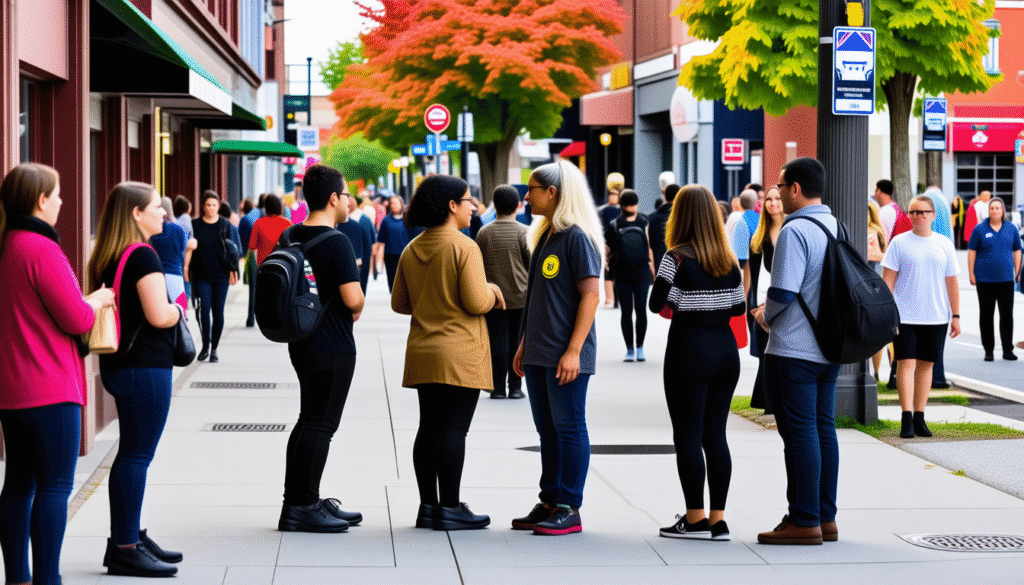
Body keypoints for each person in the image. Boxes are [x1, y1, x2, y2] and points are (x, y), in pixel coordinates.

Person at [0, 163, 115, 585]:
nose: (63, 200)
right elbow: (75, 318)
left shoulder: (8, 244)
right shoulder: (41, 248)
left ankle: (18, 578)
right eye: (59, 192)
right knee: (53, 487)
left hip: (12, 389)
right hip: (50, 387)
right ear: (40, 200)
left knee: (18, 486)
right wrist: (99, 299)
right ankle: (48, 578)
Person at [391, 175, 504, 531]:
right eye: (469, 200)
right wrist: (492, 290)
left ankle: (428, 506)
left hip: (424, 349)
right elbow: (475, 301)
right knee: (455, 430)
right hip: (459, 351)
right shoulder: (464, 247)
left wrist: (432, 302)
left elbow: (400, 303)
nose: (473, 207)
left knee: (428, 428)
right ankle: (452, 507)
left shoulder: (413, 248)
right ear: (452, 206)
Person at [87, 182, 186, 577]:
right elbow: (160, 315)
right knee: (136, 455)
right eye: (155, 207)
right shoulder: (143, 256)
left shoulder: (110, 255)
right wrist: (179, 308)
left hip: (121, 367)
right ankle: (126, 545)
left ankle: (128, 537)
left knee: (131, 452)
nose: (163, 212)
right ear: (135, 214)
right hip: (145, 368)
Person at [512, 160, 603, 536]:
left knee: (568, 427)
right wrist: (523, 344)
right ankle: (550, 499)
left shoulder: (577, 237)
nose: (526, 195)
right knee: (546, 430)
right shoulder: (546, 234)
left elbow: (591, 295)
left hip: (564, 354)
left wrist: (574, 351)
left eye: (531, 189)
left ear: (552, 193)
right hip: (537, 351)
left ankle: (569, 506)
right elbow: (537, 297)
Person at [753, 157, 841, 545]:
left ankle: (804, 520)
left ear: (795, 189)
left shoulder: (795, 230)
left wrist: (763, 314)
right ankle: (825, 516)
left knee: (800, 433)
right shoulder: (836, 225)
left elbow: (784, 290)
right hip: (830, 346)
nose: (777, 191)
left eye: (780, 184)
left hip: (795, 348)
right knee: (824, 428)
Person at [650, 184, 745, 541]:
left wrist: (682, 297)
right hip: (725, 349)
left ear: (680, 216)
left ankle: (694, 518)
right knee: (715, 435)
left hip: (689, 348)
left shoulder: (675, 257)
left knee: (687, 435)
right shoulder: (727, 259)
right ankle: (719, 519)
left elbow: (656, 300)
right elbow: (738, 307)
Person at [277, 164, 365, 534]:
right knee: (321, 424)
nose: (347, 202)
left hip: (301, 341)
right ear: (333, 199)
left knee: (307, 419)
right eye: (345, 195)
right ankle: (303, 506)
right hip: (332, 344)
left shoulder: (290, 234)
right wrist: (357, 306)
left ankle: (296, 500)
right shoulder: (337, 241)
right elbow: (353, 298)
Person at [882, 195, 961, 439]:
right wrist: (888, 314)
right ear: (909, 215)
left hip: (936, 316)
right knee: (905, 364)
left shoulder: (944, 244)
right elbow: (888, 281)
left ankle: (920, 416)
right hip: (904, 316)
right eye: (914, 212)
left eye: (924, 212)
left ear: (933, 215)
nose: (919, 215)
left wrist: (956, 315)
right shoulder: (899, 243)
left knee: (926, 366)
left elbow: (952, 281)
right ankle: (906, 418)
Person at [476, 184, 531, 399]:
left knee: (496, 341)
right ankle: (515, 387)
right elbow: (530, 264)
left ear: (495, 205)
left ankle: (497, 388)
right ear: (517, 206)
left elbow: (478, 263)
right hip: (520, 296)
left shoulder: (484, 232)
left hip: (493, 297)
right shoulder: (524, 232)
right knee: (517, 341)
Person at [745, 187, 785, 413]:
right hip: (761, 303)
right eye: (768, 199)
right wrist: (752, 305)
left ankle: (776, 401)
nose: (773, 203)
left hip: (786, 303)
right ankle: (767, 402)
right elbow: (753, 272)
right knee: (764, 353)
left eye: (777, 198)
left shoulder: (792, 231)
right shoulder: (757, 238)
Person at [968, 196, 1021, 361]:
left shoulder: (1011, 229)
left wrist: (1017, 272)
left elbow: (1017, 251)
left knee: (1007, 315)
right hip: (984, 280)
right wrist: (971, 273)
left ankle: (1007, 350)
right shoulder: (979, 229)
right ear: (988, 210)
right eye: (992, 208)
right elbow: (971, 252)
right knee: (986, 315)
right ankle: (988, 350)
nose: (995, 211)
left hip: (1006, 280)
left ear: (1003, 210)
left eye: (998, 208)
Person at [604, 189, 654, 361]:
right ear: (636, 204)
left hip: (622, 272)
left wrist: (608, 268)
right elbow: (650, 246)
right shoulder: (644, 221)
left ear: (621, 205)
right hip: (642, 271)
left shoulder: (614, 224)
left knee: (626, 312)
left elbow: (607, 249)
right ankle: (640, 348)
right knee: (641, 310)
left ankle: (630, 349)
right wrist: (652, 267)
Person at [191, 191, 239, 363]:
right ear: (203, 206)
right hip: (201, 275)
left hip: (221, 275)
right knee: (204, 310)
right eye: (208, 205)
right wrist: (187, 270)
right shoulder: (195, 225)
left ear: (218, 206)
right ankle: (205, 346)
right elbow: (190, 250)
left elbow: (232, 250)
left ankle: (214, 349)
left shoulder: (225, 224)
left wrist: (234, 271)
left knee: (218, 311)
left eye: (214, 205)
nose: (211, 208)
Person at [150, 196, 196, 313]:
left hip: (155, 274)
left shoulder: (151, 231)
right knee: (180, 310)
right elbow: (183, 249)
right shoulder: (178, 229)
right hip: (175, 274)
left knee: (157, 310)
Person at [336, 194, 376, 293]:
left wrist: (372, 257)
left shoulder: (363, 220)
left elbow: (371, 239)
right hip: (347, 260)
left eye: (351, 200)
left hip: (361, 259)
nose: (349, 202)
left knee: (360, 286)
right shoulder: (338, 222)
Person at [867, 199, 888, 382]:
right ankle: (876, 372)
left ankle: (876, 372)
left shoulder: (874, 232)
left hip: (872, 286)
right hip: (876, 285)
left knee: (875, 334)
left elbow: (878, 256)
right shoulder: (878, 232)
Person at [376, 194, 413, 292]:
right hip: (390, 256)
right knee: (392, 281)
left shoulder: (408, 220)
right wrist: (378, 260)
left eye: (396, 203)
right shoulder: (386, 221)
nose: (393, 205)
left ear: (401, 204)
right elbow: (381, 241)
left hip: (406, 255)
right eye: (391, 203)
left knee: (407, 281)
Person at [598, 173, 623, 307]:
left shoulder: (602, 210)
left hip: (612, 244)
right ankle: (611, 298)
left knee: (610, 271)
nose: (613, 196)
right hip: (611, 244)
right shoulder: (605, 210)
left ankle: (611, 299)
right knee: (609, 271)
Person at [730, 189, 760, 293]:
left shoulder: (741, 221)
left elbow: (740, 258)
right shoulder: (760, 219)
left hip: (745, 274)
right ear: (756, 202)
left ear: (741, 203)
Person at [248, 195, 292, 265]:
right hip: (283, 264)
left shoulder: (258, 223)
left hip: (264, 265)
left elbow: (252, 246)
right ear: (280, 207)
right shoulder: (288, 223)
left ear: (266, 208)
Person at [648, 184, 679, 276]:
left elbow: (651, 244)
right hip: (680, 264)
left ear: (664, 196)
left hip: (660, 264)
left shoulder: (652, 218)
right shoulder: (683, 217)